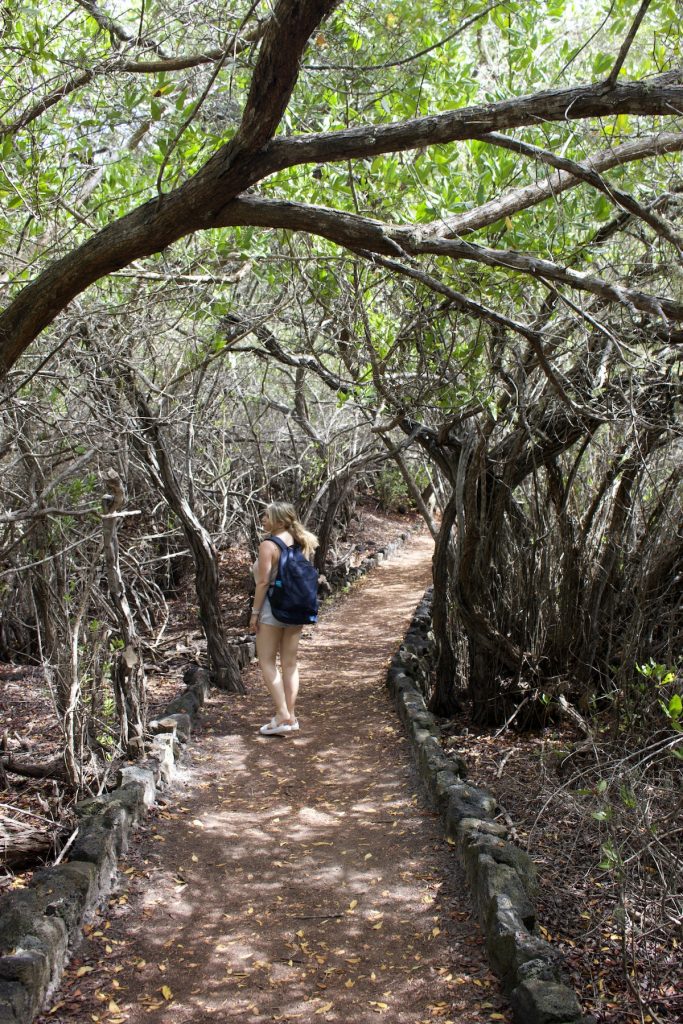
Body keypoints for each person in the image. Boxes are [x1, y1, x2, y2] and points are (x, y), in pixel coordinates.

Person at [249, 502, 319, 736]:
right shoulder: (302, 541)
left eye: (266, 516)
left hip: (272, 609)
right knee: (290, 664)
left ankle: (281, 714)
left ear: (279, 520)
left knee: (266, 661)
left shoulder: (268, 545)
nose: (263, 519)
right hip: (296, 608)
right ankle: (291, 715)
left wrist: (255, 613)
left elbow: (262, 582)